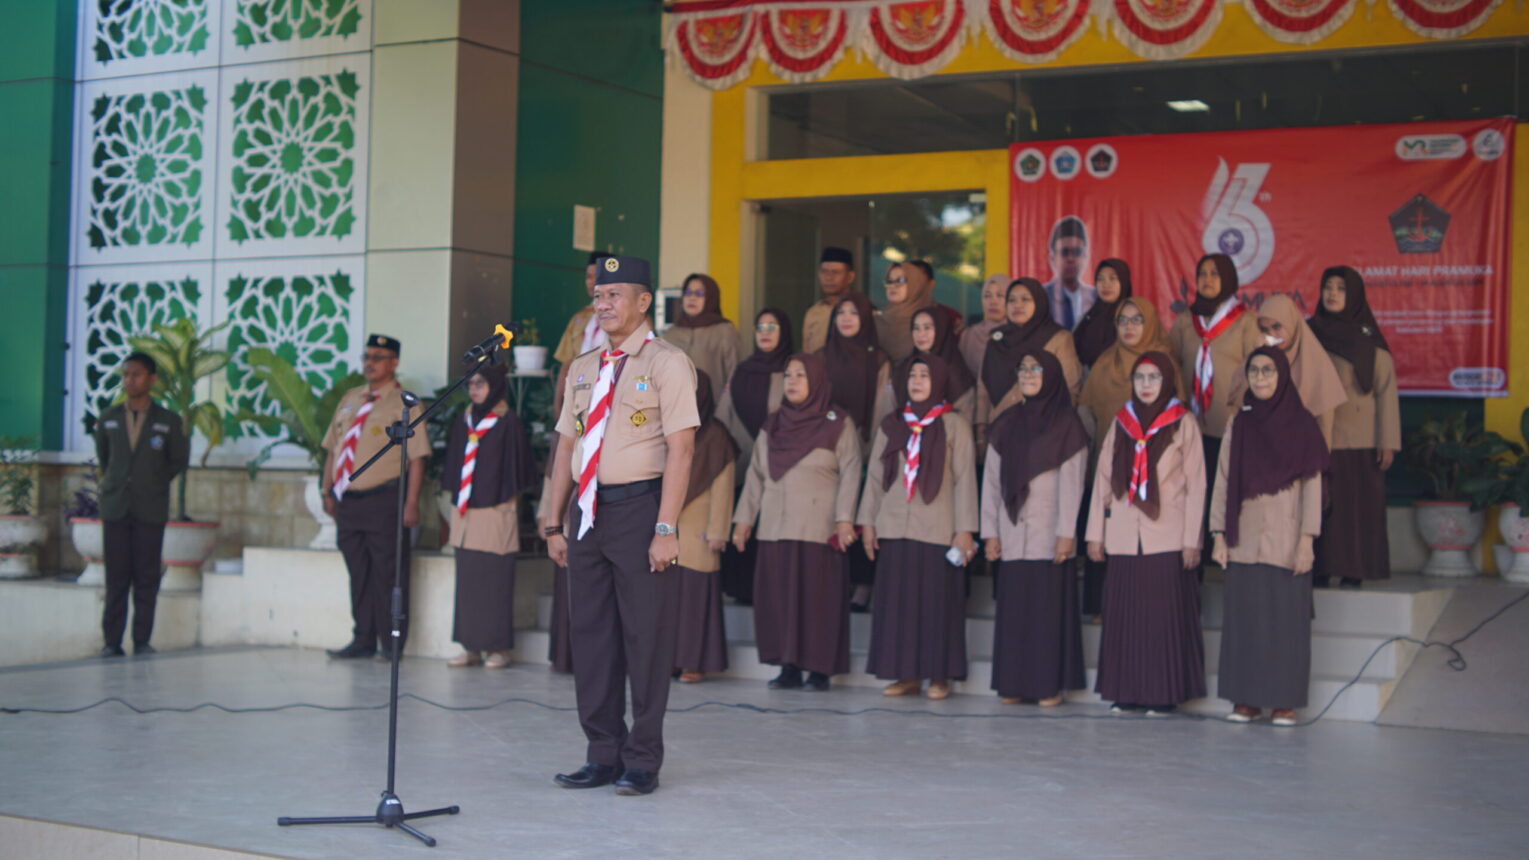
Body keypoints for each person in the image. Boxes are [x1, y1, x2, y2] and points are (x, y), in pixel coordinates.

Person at [544, 255, 700, 797]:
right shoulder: (583, 366)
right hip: (586, 512)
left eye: (615, 295)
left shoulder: (667, 363)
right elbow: (567, 443)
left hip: (640, 510)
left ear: (642, 302)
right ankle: (602, 754)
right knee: (590, 636)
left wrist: (666, 528)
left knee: (645, 639)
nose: (603, 304)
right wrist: (551, 521)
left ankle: (642, 760)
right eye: (599, 294)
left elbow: (682, 450)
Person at [1211, 347, 1328, 726]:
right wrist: (1217, 533)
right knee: (1246, 621)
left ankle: (1283, 702)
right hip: (1243, 537)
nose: (1260, 378)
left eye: (1268, 371)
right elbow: (1224, 480)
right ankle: (1245, 700)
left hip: (1287, 539)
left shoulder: (1303, 425)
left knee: (1285, 624)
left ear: (1282, 376)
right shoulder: (1239, 425)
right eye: (1254, 371)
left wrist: (1307, 540)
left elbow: (1313, 486)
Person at [732, 353, 862, 693]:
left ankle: (819, 669)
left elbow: (851, 474)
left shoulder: (837, 423)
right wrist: (743, 520)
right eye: (788, 375)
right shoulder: (773, 423)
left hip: (819, 528)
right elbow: (756, 475)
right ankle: (787, 665)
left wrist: (845, 519)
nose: (791, 381)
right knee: (779, 599)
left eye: (800, 375)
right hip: (775, 525)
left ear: (817, 380)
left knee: (818, 602)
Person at [1086, 351, 1206, 716]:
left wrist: (1192, 540)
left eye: (1154, 377)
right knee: (1125, 619)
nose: (1147, 384)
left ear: (1167, 381)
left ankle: (1162, 693)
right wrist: (1096, 534)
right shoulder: (1122, 423)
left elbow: (1198, 485)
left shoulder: (1182, 423)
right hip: (1123, 534)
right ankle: (1127, 690)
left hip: (1166, 536)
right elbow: (1102, 480)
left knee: (1160, 621)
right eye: (1140, 377)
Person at [858, 356, 978, 700]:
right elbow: (876, 478)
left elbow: (965, 479)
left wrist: (965, 528)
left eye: (925, 375)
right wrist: (867, 521)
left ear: (938, 381)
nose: (918, 381)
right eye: (912, 375)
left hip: (939, 528)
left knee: (937, 605)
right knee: (898, 606)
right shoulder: (891, 424)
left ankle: (939, 676)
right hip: (894, 524)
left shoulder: (954, 424)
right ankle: (905, 674)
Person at [981, 351, 1088, 706]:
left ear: (1052, 374)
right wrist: (990, 532)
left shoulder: (1068, 424)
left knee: (1045, 614)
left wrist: (1066, 534)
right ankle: (1013, 684)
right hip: (1012, 532)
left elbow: (1073, 485)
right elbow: (992, 483)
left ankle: (1048, 685)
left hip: (1049, 534)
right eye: (1023, 368)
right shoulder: (1006, 422)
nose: (1027, 374)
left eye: (1035, 369)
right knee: (1014, 612)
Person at [321, 334, 430, 661]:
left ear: (394, 362)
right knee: (358, 573)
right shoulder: (350, 398)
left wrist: (411, 503)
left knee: (389, 574)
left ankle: (391, 643)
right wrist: (327, 489)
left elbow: (418, 457)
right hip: (349, 502)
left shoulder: (404, 402)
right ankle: (362, 639)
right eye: (367, 356)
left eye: (378, 357)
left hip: (385, 500)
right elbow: (332, 449)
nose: (369, 362)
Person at [1076, 297, 1175, 616]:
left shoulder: (1165, 361)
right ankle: (1102, 608)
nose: (1129, 327)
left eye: (1137, 320)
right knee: (1106, 539)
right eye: (1122, 320)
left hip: (1157, 474)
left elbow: (1178, 413)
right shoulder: (1106, 361)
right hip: (1111, 468)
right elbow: (1087, 413)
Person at [440, 362, 537, 668]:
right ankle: (470, 647)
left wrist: (507, 503)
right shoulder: (463, 420)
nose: (474, 389)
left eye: (481, 384)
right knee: (468, 581)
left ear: (494, 385)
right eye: (471, 384)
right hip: (466, 512)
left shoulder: (509, 423)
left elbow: (518, 471)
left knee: (494, 579)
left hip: (496, 511)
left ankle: (498, 649)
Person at [1309, 266, 1400, 588]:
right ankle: (1318, 569)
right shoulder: (1309, 334)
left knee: (1355, 511)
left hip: (1361, 440)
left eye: (1341, 288)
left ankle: (1353, 571)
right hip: (1318, 438)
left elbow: (1386, 393)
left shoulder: (1369, 340)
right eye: (1328, 287)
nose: (1333, 294)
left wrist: (1387, 441)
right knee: (1319, 508)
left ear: (1355, 295)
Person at [95, 352, 189, 658]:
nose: (129, 381)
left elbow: (177, 461)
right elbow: (105, 459)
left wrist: (152, 482)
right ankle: (111, 642)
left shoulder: (168, 420)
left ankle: (142, 641)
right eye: (125, 375)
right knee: (116, 577)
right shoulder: (108, 417)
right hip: (116, 508)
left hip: (150, 508)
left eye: (136, 375)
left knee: (146, 576)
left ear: (151, 379)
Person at [1167, 254, 1262, 507]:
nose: (1207, 279)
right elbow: (1171, 367)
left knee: (1224, 498)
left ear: (1229, 279)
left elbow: (1259, 374)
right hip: (1190, 429)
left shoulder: (1246, 323)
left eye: (1215, 273)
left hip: (1230, 428)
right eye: (1202, 274)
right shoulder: (1185, 322)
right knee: (1193, 496)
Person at [714, 308, 794, 606]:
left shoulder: (793, 370)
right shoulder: (742, 370)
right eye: (760, 326)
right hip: (743, 465)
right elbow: (725, 413)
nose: (765, 332)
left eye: (773, 326)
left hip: (779, 470)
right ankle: (742, 589)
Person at [672, 371, 737, 683]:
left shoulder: (715, 435)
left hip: (699, 532)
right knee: (666, 602)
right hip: (666, 531)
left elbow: (724, 488)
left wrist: (718, 531)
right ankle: (669, 660)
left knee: (695, 601)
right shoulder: (666, 429)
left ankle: (693, 662)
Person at [976, 278, 1081, 439]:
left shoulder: (1059, 338)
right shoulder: (997, 340)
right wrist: (981, 431)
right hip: (998, 431)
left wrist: (1055, 431)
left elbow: (1069, 390)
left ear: (1039, 302)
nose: (1017, 305)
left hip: (1041, 431)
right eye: (1011, 300)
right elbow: (983, 389)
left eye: (1025, 299)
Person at [1238, 294, 1347, 447]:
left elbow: (1324, 426)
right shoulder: (1262, 359)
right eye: (1264, 329)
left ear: (1292, 322)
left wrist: (1320, 465)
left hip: (1303, 455)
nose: (1271, 335)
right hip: (1264, 451)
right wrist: (1256, 354)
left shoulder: (1317, 363)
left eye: (1277, 327)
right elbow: (1238, 397)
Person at [821, 291, 891, 454]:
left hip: (865, 445)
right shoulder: (821, 357)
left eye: (854, 313)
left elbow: (883, 406)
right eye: (840, 312)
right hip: (825, 444)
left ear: (865, 318)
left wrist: (875, 451)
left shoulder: (878, 360)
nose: (846, 318)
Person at [880, 306, 976, 420]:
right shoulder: (903, 369)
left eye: (927, 328)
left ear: (941, 329)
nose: (921, 334)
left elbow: (963, 424)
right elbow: (888, 416)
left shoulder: (957, 374)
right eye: (916, 328)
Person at [552, 252, 611, 420]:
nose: (592, 281)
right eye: (588, 276)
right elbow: (566, 365)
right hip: (579, 395)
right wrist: (557, 409)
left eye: (597, 276)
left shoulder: (627, 317)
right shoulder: (579, 318)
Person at [662, 273, 740, 397]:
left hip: (714, 411)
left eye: (699, 293)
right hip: (675, 410)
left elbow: (735, 376)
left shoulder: (725, 331)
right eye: (688, 293)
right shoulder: (670, 334)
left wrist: (721, 414)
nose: (692, 298)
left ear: (710, 298)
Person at [876, 260, 961, 363]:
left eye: (900, 280)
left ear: (915, 283)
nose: (893, 286)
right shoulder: (877, 320)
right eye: (889, 281)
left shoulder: (933, 319)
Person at [1073, 258, 1132, 368]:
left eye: (1112, 278)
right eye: (1100, 279)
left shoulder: (1133, 319)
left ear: (1124, 281)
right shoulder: (1088, 318)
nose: (1106, 285)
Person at [1041, 216, 1095, 331]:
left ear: (1085, 256)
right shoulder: (1041, 297)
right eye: (1064, 252)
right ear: (1052, 258)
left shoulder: (1096, 298)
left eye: (1076, 252)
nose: (1070, 259)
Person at [802, 246, 858, 353]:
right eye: (824, 272)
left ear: (850, 277)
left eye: (835, 272)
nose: (828, 278)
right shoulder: (813, 312)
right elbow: (807, 355)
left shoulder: (862, 310)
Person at [958, 273, 1010, 380]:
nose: (993, 302)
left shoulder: (1020, 333)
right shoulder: (969, 335)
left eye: (1000, 295)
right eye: (987, 296)